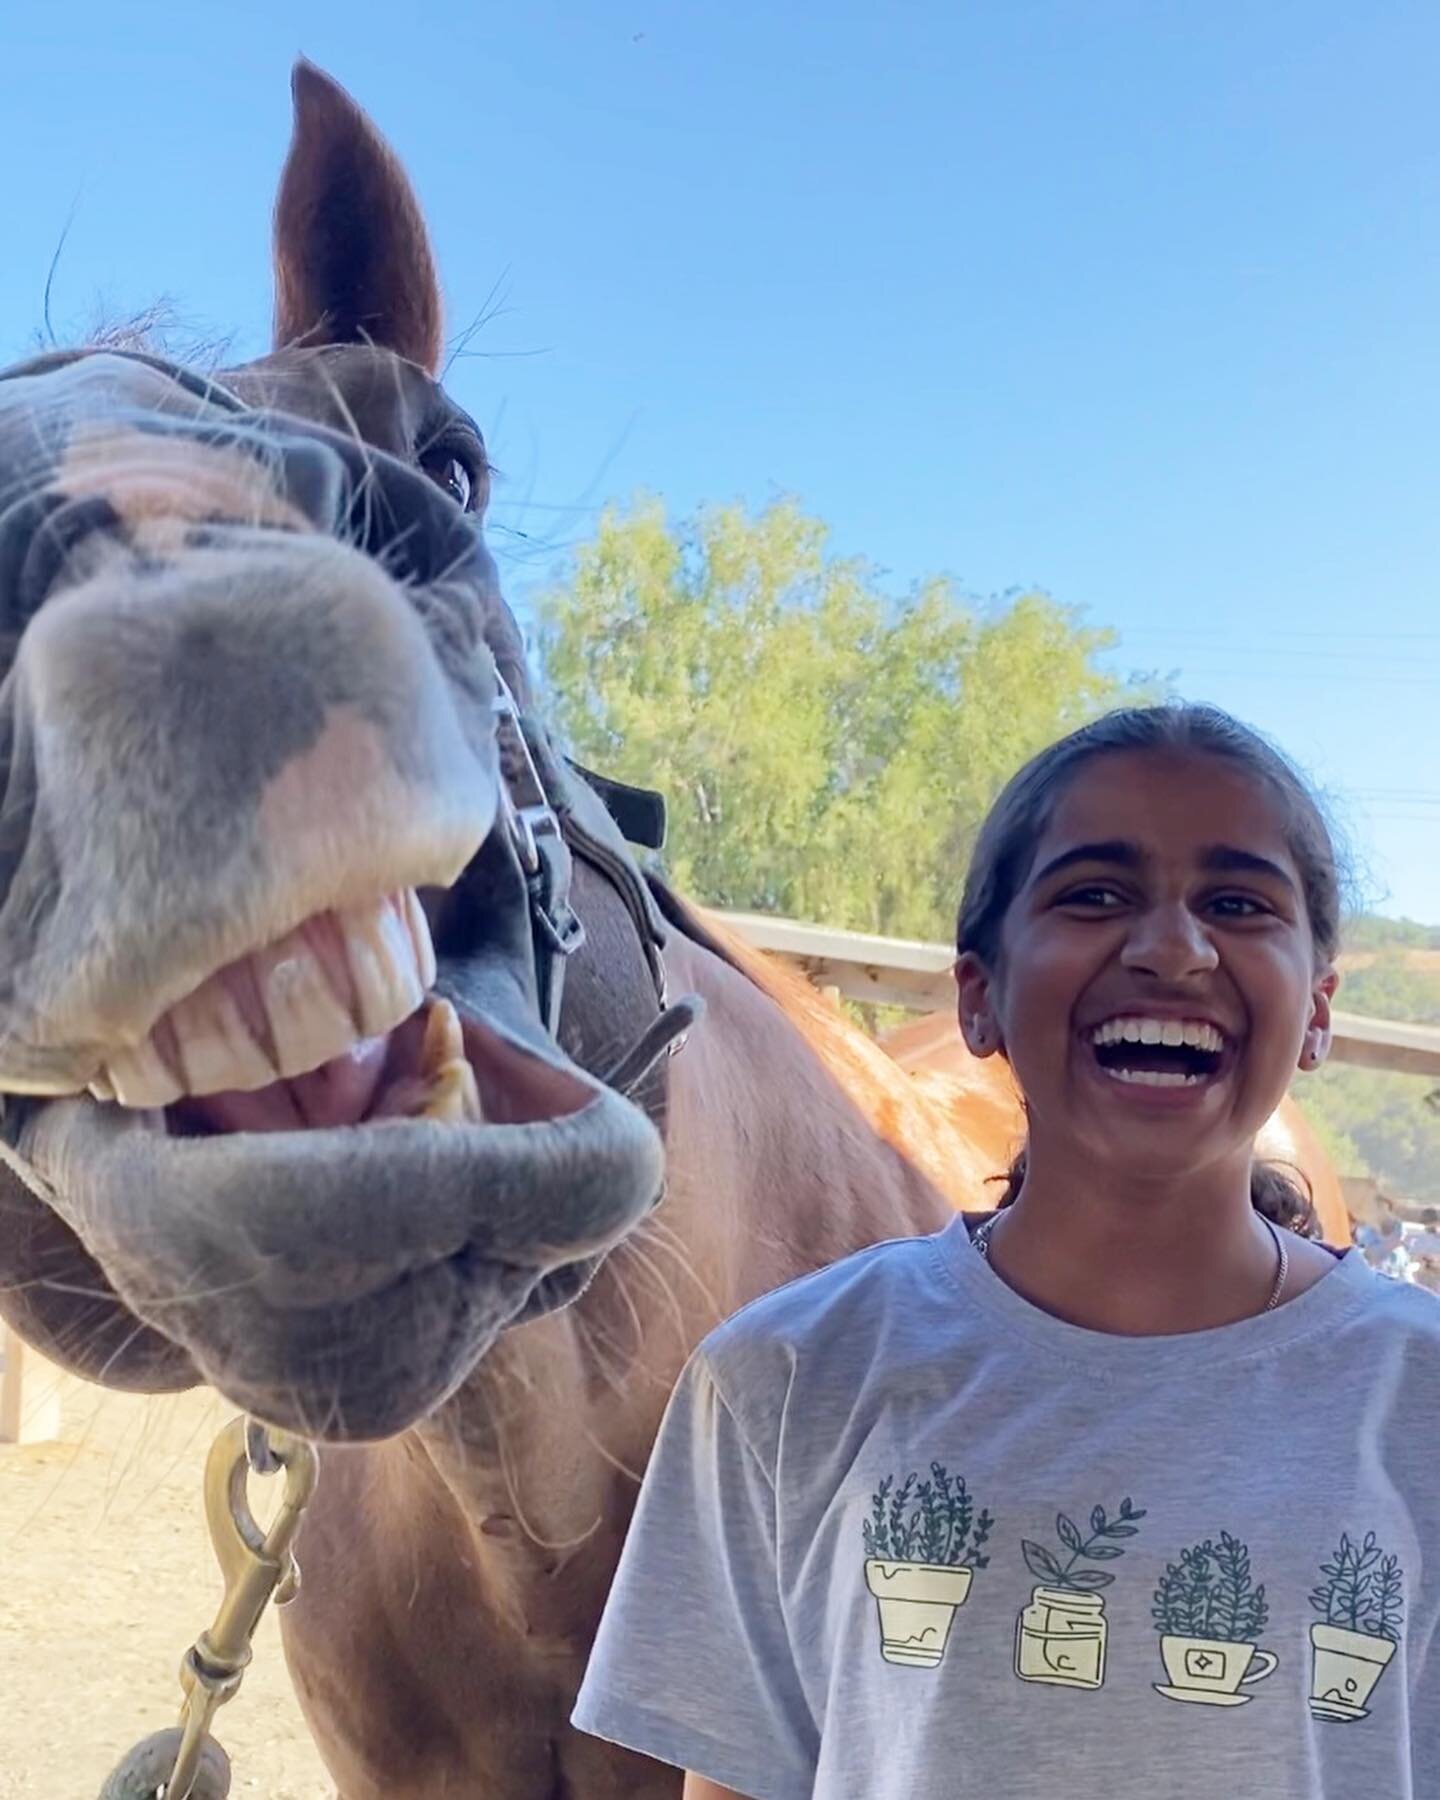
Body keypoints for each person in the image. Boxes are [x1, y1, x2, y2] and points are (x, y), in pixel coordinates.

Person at [572, 703, 1440, 1800]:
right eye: (1094, 894)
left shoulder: (1420, 1402)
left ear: (1316, 1011)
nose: (1172, 947)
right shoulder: (785, 1381)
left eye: (1236, 902)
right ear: (979, 995)